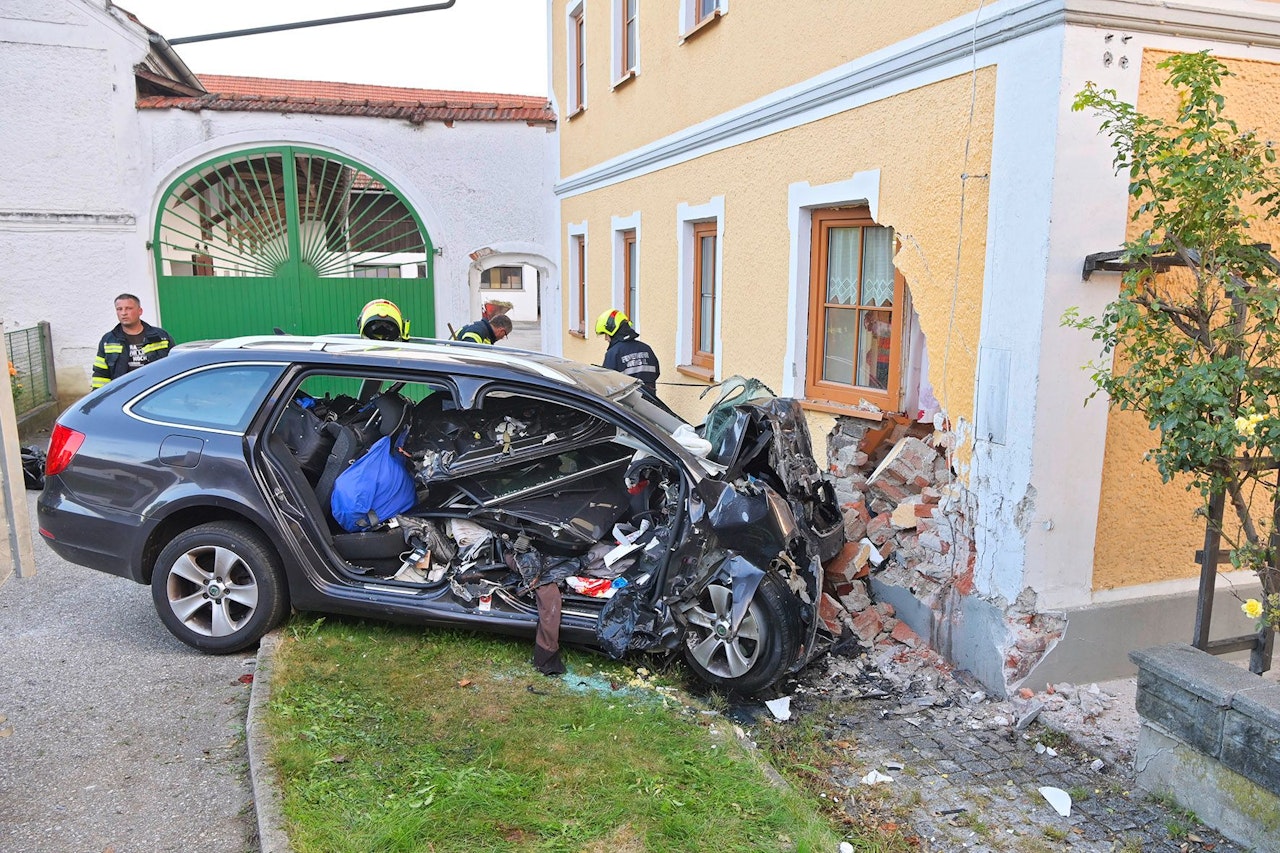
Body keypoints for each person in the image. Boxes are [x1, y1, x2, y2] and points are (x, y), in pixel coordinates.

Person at [91, 293, 175, 389]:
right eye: (119, 309)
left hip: (156, 392)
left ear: (140, 311)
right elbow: (101, 374)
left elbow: (174, 365)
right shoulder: (108, 340)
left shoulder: (161, 336)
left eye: (129, 308)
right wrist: (100, 399)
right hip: (125, 394)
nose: (123, 313)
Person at [596, 309, 660, 395]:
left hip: (624, 405)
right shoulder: (646, 348)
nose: (605, 338)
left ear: (613, 331)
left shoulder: (613, 353)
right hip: (649, 405)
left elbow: (607, 383)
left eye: (606, 334)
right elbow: (656, 373)